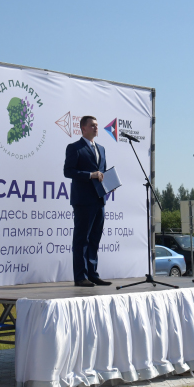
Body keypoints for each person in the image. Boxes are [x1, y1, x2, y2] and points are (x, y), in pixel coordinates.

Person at [63, 115, 111, 287]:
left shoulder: (101, 149)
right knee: (82, 239)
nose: (96, 128)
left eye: (97, 125)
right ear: (83, 128)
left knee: (95, 238)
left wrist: (109, 183)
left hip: (99, 199)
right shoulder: (75, 147)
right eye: (92, 125)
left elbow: (103, 173)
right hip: (83, 201)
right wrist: (90, 175)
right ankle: (80, 276)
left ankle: (92, 274)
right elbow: (68, 171)